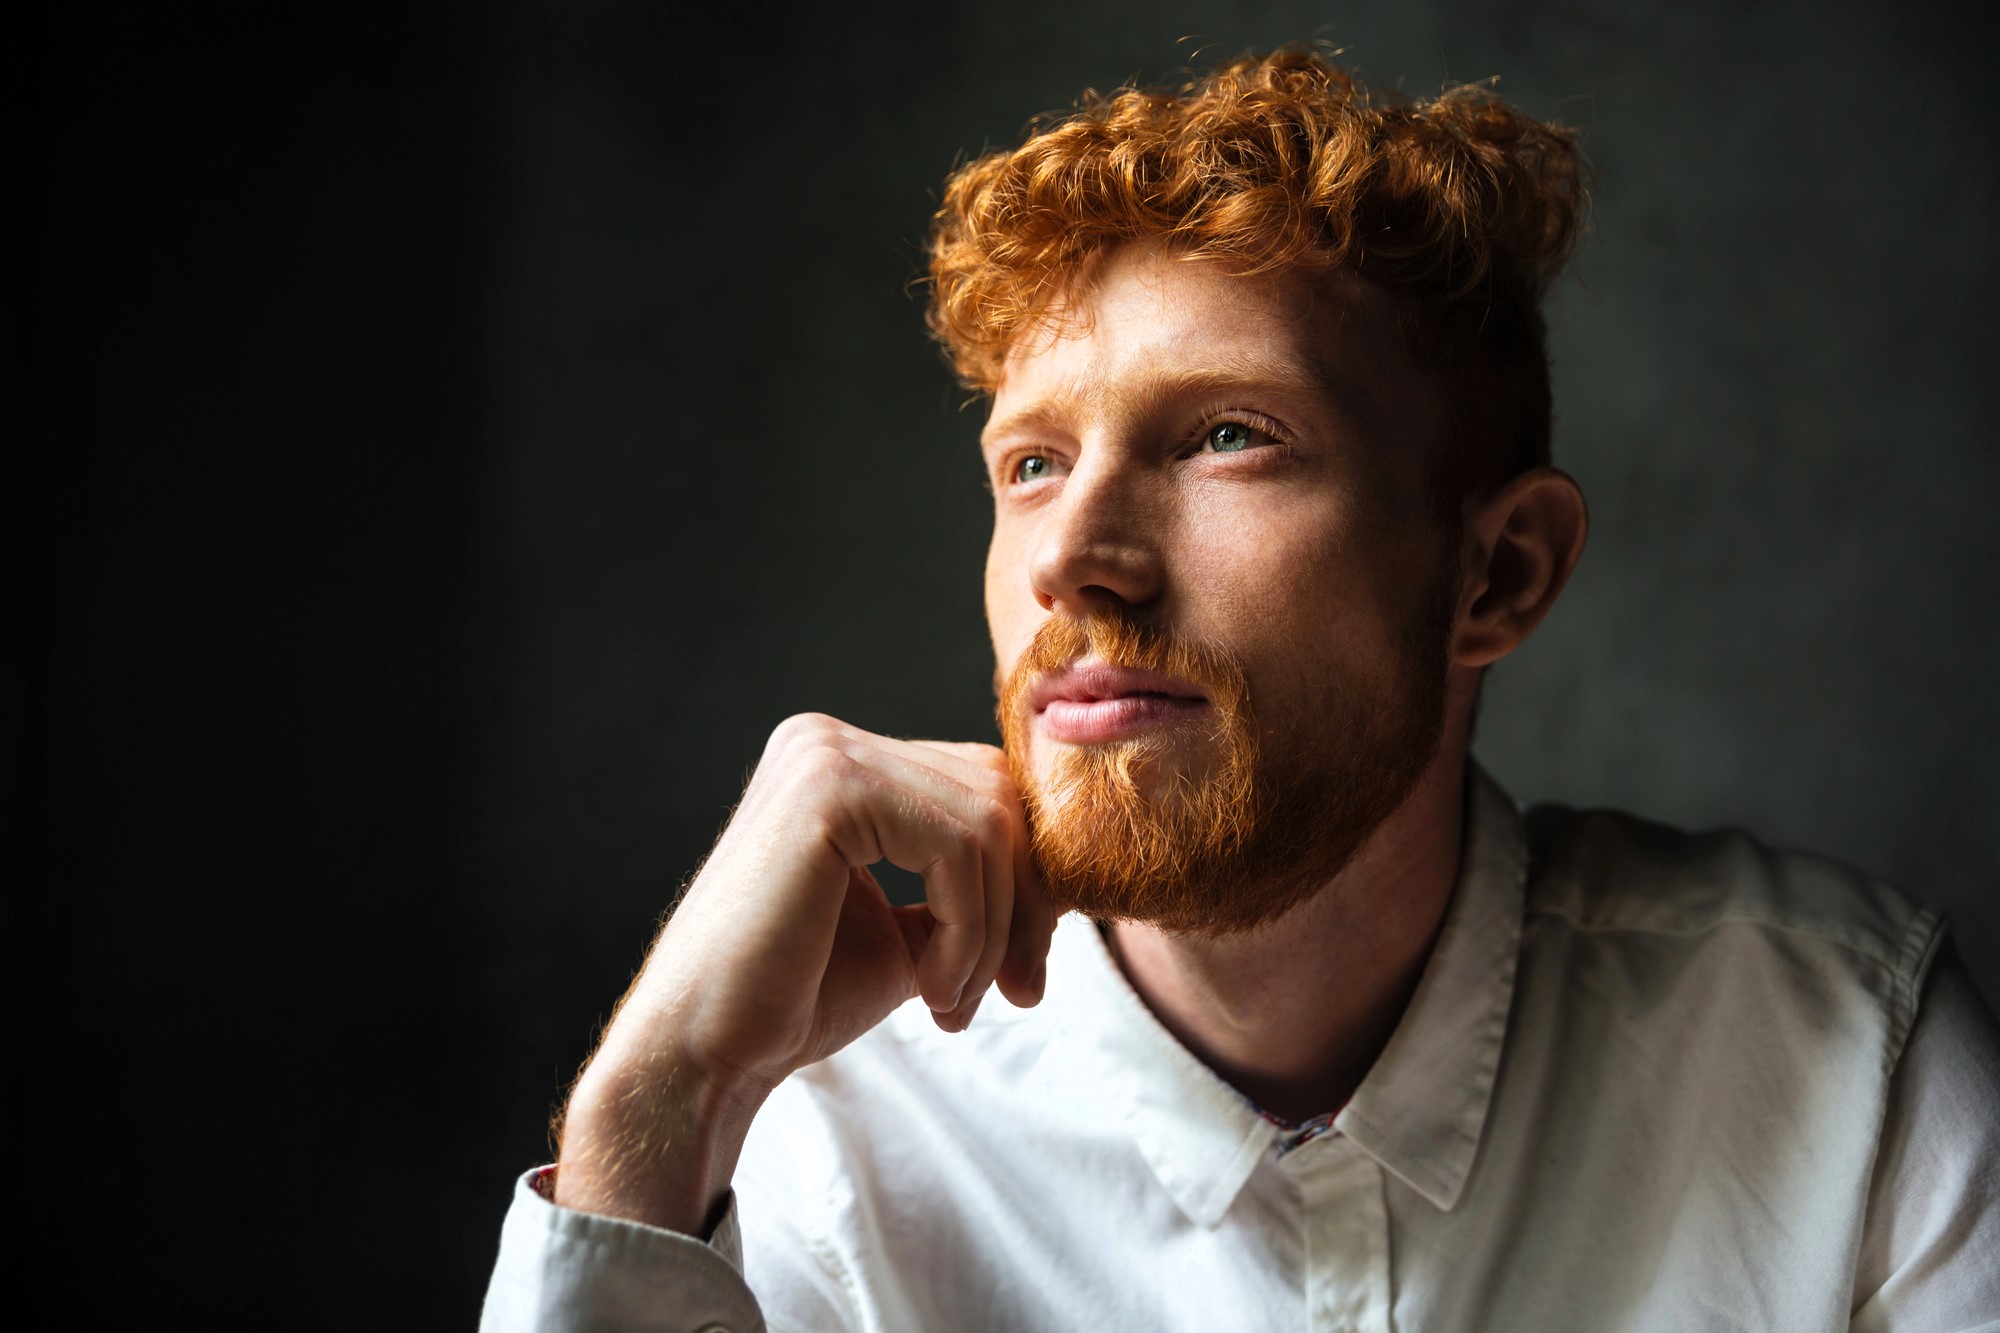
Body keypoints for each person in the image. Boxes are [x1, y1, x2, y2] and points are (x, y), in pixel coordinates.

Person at [482, 48, 2000, 1331]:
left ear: (1500, 576)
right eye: (1030, 463)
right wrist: (649, 1107)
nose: (1075, 558)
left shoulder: (1844, 1062)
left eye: (1225, 437)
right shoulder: (814, 1148)